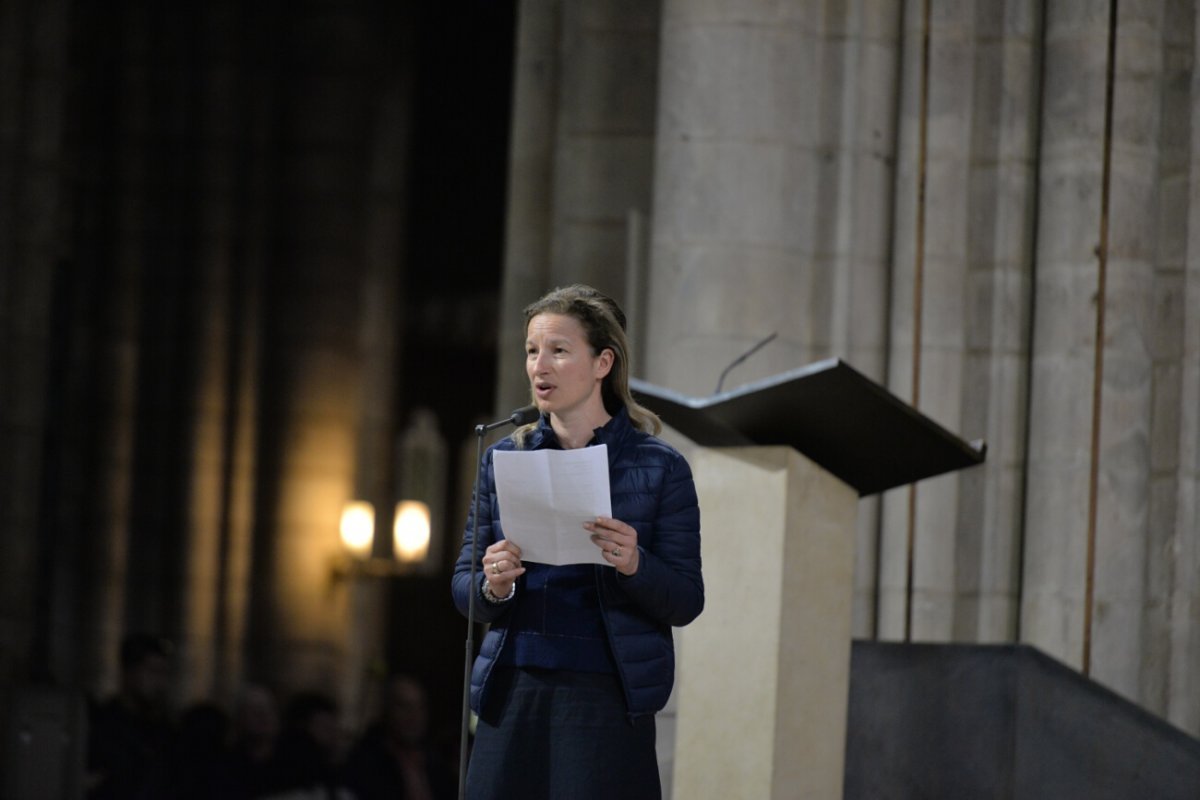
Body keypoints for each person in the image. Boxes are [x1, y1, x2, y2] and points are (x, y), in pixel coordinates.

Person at [450, 284, 704, 799]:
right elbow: (464, 588)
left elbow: (686, 600)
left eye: (559, 351)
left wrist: (635, 563)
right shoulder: (506, 457)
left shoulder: (659, 467)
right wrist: (494, 584)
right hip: (515, 685)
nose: (539, 366)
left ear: (603, 362)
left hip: (604, 695)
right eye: (531, 351)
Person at [86, 633, 176, 800]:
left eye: (164, 673)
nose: (160, 682)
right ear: (129, 672)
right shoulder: (103, 727)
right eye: (153, 671)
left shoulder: (164, 731)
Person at [342, 674, 456, 800]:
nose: (414, 716)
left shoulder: (436, 765)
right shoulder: (365, 764)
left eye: (420, 707)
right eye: (403, 706)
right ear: (387, 710)